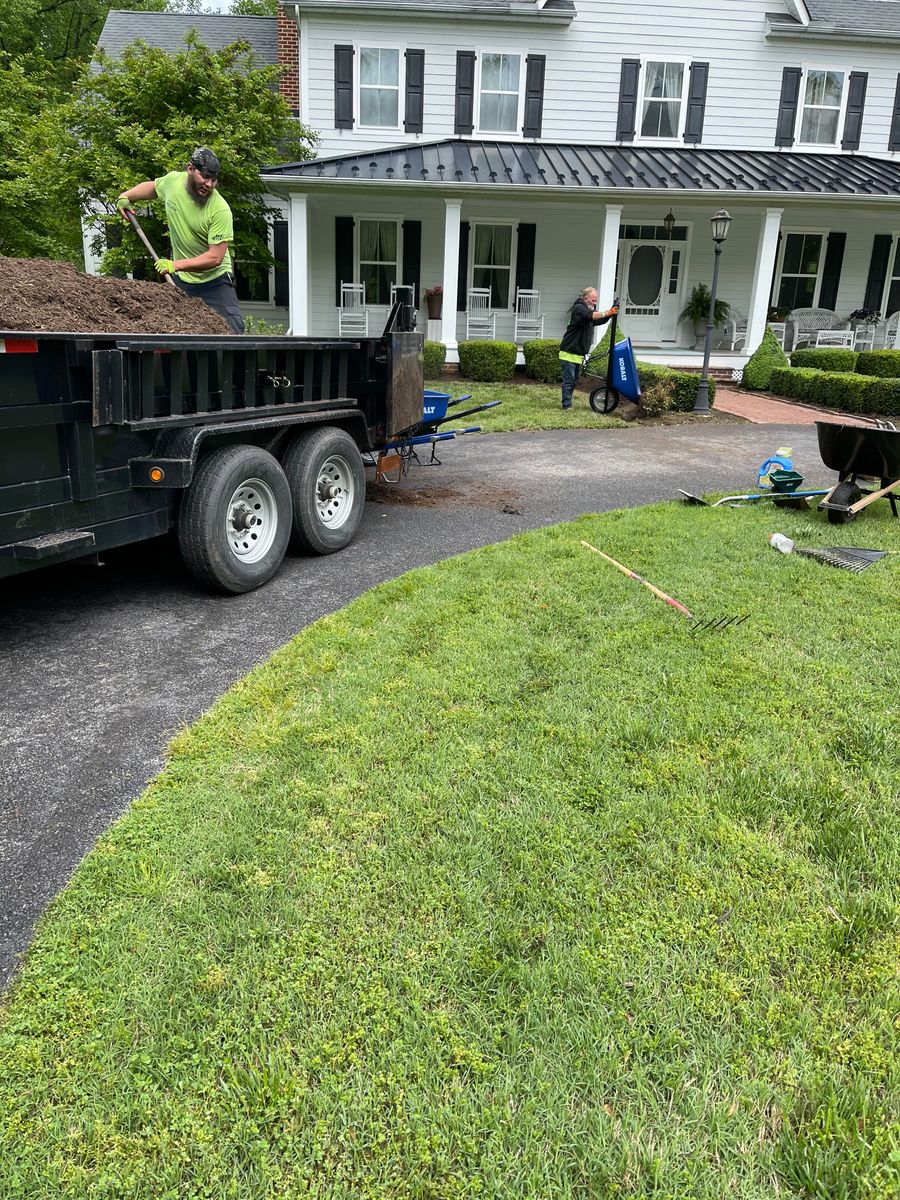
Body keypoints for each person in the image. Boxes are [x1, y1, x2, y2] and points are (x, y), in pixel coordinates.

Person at [116, 148, 245, 333]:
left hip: (215, 281)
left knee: (232, 331)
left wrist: (174, 265)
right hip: (183, 282)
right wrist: (126, 196)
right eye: (204, 177)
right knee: (176, 333)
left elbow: (215, 257)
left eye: (213, 180)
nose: (209, 184)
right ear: (190, 169)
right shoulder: (173, 182)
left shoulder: (220, 209)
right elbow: (153, 187)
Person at [558, 287, 618, 409]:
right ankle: (566, 405)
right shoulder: (578, 308)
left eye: (596, 301)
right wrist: (607, 312)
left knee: (574, 381)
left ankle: (567, 403)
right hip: (568, 352)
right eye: (593, 300)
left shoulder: (588, 312)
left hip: (578, 354)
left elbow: (599, 320)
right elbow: (589, 315)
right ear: (585, 298)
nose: (595, 303)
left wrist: (611, 313)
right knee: (569, 381)